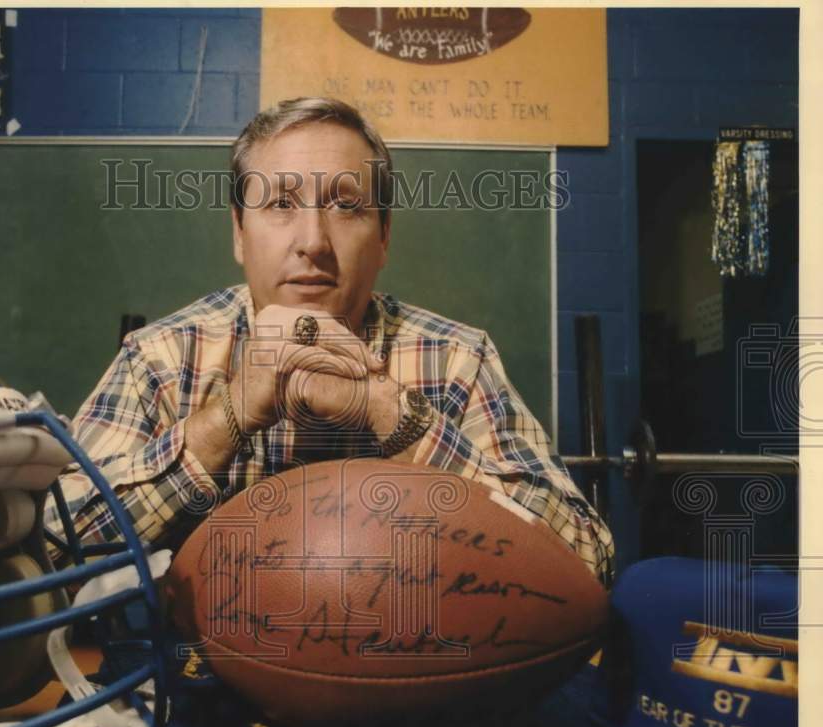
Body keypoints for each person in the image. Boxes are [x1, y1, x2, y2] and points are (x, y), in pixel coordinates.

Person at [45, 97, 613, 587]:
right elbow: (47, 560)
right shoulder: (164, 357)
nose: (313, 241)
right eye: (281, 205)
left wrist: (390, 413)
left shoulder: (456, 360)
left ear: (384, 236)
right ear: (239, 233)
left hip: (410, 686)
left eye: (346, 206)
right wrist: (228, 417)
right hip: (197, 688)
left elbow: (588, 565)